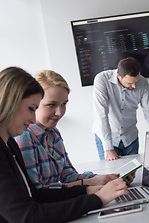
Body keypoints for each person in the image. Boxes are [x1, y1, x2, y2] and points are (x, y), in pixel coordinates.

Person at [0, 66, 128, 222]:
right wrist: (96, 198)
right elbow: (27, 215)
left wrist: (89, 189)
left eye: (64, 104)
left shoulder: (10, 144)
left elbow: (36, 194)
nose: (33, 119)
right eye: (31, 108)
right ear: (10, 102)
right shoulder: (20, 139)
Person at [15, 70, 122, 189]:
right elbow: (39, 190)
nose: (60, 112)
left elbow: (69, 175)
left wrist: (104, 178)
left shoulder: (53, 133)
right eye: (51, 105)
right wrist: (91, 183)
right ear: (34, 103)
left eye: (64, 104)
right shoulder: (24, 136)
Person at [93, 57, 149, 160]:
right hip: (107, 137)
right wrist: (108, 148)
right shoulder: (102, 79)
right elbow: (101, 115)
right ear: (118, 76)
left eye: (136, 82)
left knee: (131, 175)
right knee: (112, 175)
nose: (134, 86)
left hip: (130, 138)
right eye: (130, 83)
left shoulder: (143, 83)